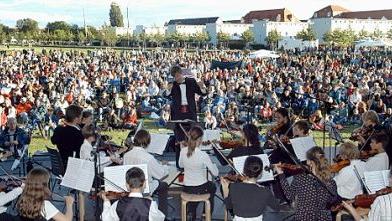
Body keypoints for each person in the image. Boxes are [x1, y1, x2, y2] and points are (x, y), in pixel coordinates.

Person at [274, 146, 338, 220]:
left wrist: (281, 174)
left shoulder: (301, 178)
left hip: (304, 217)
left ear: (309, 162)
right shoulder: (331, 181)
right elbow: (332, 200)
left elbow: (289, 196)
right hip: (323, 217)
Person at [123, 129, 169, 217]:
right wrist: (165, 166)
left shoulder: (126, 155)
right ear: (147, 142)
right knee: (164, 185)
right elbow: (161, 174)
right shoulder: (148, 158)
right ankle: (163, 215)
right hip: (145, 187)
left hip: (131, 186)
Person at [168, 66, 206, 168]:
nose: (176, 79)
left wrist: (202, 87)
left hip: (190, 112)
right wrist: (167, 89)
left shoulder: (191, 81)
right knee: (179, 139)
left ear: (181, 74)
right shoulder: (173, 84)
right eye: (174, 77)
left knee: (193, 137)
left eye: (177, 76)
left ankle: (194, 163)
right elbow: (166, 94)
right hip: (178, 113)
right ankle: (179, 165)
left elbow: (202, 93)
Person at [222, 156, 280, 220]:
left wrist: (225, 190)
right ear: (260, 174)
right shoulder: (265, 191)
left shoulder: (234, 187)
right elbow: (277, 207)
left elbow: (228, 205)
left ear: (244, 171)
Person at [179, 126, 218, 220]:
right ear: (200, 139)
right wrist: (214, 165)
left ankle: (191, 212)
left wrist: (181, 148)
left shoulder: (183, 151)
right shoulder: (203, 155)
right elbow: (215, 174)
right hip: (200, 187)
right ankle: (205, 214)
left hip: (187, 187)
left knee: (195, 191)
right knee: (212, 186)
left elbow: (180, 165)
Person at [100, 167, 165, 221]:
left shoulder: (118, 204)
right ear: (144, 184)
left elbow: (105, 218)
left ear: (127, 185)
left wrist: (106, 201)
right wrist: (150, 201)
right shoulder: (150, 205)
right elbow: (161, 218)